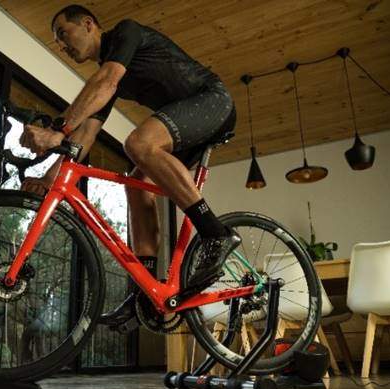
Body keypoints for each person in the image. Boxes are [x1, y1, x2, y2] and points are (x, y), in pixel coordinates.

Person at [20, 5, 240, 332]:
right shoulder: (109, 76)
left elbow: (105, 82)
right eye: (57, 42)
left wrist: (57, 129)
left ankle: (216, 234)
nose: (62, 46)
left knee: (138, 144)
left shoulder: (126, 33)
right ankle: (144, 292)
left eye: (63, 34)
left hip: (212, 101)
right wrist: (50, 179)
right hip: (186, 121)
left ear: (89, 24)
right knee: (136, 182)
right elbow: (85, 137)